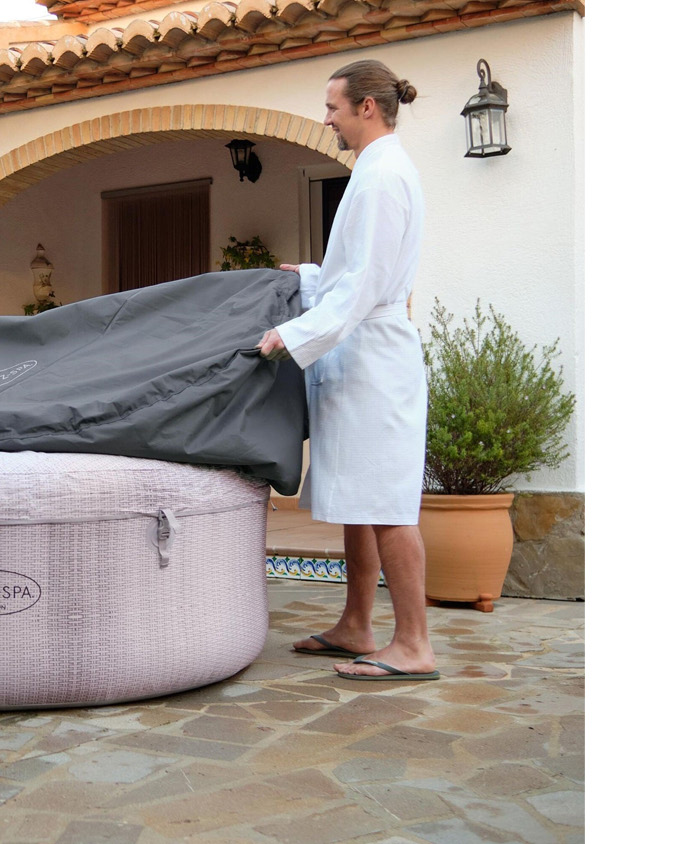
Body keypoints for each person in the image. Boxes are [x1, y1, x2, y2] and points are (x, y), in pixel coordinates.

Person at [256, 60, 437, 681]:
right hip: (359, 359)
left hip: (376, 362)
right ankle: (357, 622)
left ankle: (413, 644)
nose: (326, 118)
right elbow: (354, 273)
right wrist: (310, 277)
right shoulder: (372, 170)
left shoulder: (384, 175)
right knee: (361, 501)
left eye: (333, 107)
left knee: (386, 503)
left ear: (366, 107)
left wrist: (292, 333)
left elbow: (366, 286)